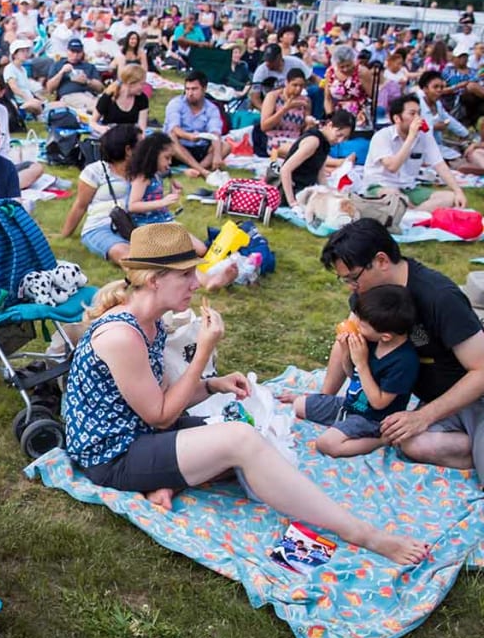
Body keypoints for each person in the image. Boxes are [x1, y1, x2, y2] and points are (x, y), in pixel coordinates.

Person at [61, 223, 429, 565]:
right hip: (113, 454)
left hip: (140, 431)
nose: (197, 282)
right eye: (186, 274)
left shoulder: (151, 321)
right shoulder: (122, 335)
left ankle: (163, 481)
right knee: (240, 440)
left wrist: (211, 385)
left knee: (239, 426)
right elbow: (159, 414)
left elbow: (159, 399)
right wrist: (203, 354)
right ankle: (362, 533)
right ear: (156, 280)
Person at [320, 219, 484, 476]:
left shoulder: (439, 297)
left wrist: (424, 416)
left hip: (472, 399)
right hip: (436, 402)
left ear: (382, 261)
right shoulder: (371, 296)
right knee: (409, 443)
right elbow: (348, 337)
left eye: (354, 279)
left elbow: (481, 371)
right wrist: (326, 400)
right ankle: (468, 447)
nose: (353, 288)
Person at [286, 285, 419, 458]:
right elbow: (352, 375)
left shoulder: (404, 361)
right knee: (298, 405)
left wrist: (362, 363)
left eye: (362, 325)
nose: (356, 326)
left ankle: (383, 440)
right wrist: (346, 353)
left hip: (374, 419)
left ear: (386, 336)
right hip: (350, 405)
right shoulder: (372, 341)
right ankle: (343, 424)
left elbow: (379, 403)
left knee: (326, 444)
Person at [360, 94, 466, 210]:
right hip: (381, 186)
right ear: (397, 119)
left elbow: (439, 165)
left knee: (449, 197)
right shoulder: (382, 136)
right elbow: (392, 166)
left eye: (419, 113)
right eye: (412, 114)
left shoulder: (424, 136)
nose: (418, 118)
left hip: (409, 188)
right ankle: (413, 212)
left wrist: (458, 191)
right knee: (394, 197)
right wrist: (411, 137)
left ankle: (412, 214)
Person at [60, 124, 142, 262]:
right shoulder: (95, 171)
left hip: (137, 226)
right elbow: (80, 206)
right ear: (128, 150)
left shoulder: (143, 172)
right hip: (101, 227)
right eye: (142, 144)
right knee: (129, 256)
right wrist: (64, 235)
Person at [276, 110, 356, 208]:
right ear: (330, 125)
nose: (340, 141)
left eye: (345, 138)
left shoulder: (325, 143)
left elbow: (320, 175)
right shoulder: (313, 141)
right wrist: (292, 202)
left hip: (306, 188)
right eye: (339, 135)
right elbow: (285, 169)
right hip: (293, 190)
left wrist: (330, 193)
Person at [416, 70, 483, 167]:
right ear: (425, 89)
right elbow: (410, 128)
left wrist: (466, 134)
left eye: (441, 87)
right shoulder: (416, 105)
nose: (439, 90)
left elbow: (450, 120)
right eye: (435, 87)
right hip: (419, 148)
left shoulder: (437, 104)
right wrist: (433, 127)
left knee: (460, 157)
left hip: (435, 146)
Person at [164, 70, 226, 176]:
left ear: (204, 89)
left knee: (226, 146)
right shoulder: (176, 103)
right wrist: (188, 136)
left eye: (194, 89)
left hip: (199, 148)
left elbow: (215, 132)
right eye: (187, 89)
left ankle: (196, 169)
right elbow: (174, 128)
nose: (190, 93)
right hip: (178, 148)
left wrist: (217, 154)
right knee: (171, 137)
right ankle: (202, 171)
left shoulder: (212, 108)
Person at [255, 67, 313, 155]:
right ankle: (337, 163)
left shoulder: (305, 101)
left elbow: (303, 130)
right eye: (294, 85)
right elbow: (264, 126)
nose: (298, 89)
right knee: (302, 151)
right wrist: (285, 109)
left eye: (301, 86)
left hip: (295, 139)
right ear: (287, 83)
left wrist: (309, 125)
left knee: (311, 148)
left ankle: (335, 165)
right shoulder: (273, 97)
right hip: (274, 140)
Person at [46, 37, 104, 113]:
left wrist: (87, 81)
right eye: (72, 51)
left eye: (78, 52)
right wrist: (61, 72)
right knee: (96, 106)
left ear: (82, 52)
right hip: (69, 95)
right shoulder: (58, 65)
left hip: (89, 95)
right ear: (67, 51)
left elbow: (100, 88)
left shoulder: (89, 66)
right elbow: (49, 89)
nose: (75, 55)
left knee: (103, 103)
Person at [250, 43, 311, 110]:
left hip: (294, 98)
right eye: (266, 60)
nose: (267, 63)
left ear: (279, 57)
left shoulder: (294, 62)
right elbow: (255, 97)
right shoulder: (261, 70)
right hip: (270, 103)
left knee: (314, 91)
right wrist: (265, 110)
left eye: (271, 61)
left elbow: (311, 77)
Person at [92, 63, 149, 133]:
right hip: (110, 135)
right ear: (130, 83)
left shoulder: (142, 99)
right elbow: (92, 122)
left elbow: (142, 128)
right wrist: (100, 128)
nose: (144, 87)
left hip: (130, 136)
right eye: (141, 84)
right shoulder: (108, 96)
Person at [324, 44, 371, 127]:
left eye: (348, 65)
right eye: (341, 67)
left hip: (360, 114)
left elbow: (372, 96)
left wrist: (364, 113)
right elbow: (328, 99)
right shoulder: (330, 72)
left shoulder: (362, 72)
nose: (345, 69)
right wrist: (330, 116)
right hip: (339, 114)